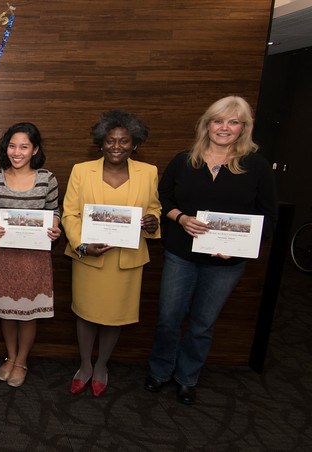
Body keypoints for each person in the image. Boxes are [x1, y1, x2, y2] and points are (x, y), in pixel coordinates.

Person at [145, 96, 278, 405]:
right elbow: (162, 198)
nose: (224, 127)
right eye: (218, 120)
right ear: (207, 124)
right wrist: (181, 218)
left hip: (226, 264)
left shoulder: (256, 166)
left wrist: (241, 248)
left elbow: (269, 217)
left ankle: (187, 378)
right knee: (168, 317)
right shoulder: (184, 160)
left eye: (233, 122)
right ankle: (160, 371)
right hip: (181, 254)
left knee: (202, 323)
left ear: (244, 128)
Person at [62, 109, 161, 397]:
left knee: (114, 315)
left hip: (127, 260)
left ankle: (102, 365)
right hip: (90, 258)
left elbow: (154, 207)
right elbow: (69, 214)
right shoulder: (82, 170)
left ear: (135, 144)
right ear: (101, 143)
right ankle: (84, 365)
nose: (117, 147)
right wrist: (83, 245)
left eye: (124, 141)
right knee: (86, 314)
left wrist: (153, 221)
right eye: (110, 141)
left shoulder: (149, 172)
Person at [0, 122, 61, 388]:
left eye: (24, 147)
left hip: (34, 256)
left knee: (28, 312)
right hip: (4, 253)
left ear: (34, 150)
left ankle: (22, 361)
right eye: (12, 146)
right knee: (7, 310)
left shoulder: (47, 179)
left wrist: (55, 228)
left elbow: (55, 211)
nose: (17, 152)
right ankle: (11, 356)